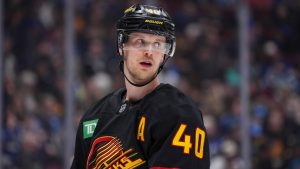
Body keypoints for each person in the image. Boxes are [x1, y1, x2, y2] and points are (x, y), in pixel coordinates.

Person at [71, 4, 210, 169]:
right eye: (140, 42)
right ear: (122, 45)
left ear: (166, 53)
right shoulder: (94, 117)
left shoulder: (178, 113)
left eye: (158, 44)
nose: (149, 52)